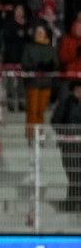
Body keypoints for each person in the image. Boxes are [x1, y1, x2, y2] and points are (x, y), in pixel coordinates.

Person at [53, 80, 81, 211]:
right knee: (73, 174)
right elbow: (55, 121)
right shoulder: (65, 103)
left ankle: (75, 202)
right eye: (78, 89)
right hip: (69, 145)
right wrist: (66, 133)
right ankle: (72, 203)